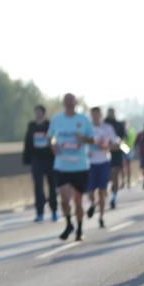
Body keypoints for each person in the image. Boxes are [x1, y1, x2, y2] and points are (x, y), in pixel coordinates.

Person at [48, 94, 95, 242]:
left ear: (75, 103)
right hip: (62, 165)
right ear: (63, 103)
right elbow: (50, 137)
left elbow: (92, 139)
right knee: (63, 198)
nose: (69, 104)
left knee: (78, 201)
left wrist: (83, 139)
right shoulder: (57, 119)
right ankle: (69, 223)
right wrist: (53, 145)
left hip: (79, 166)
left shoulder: (83, 120)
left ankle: (80, 228)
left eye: (71, 101)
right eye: (66, 101)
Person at [85, 107, 119, 229]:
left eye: (97, 115)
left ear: (101, 115)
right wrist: (86, 150)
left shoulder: (108, 128)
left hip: (104, 162)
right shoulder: (87, 129)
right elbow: (82, 143)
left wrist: (107, 146)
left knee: (102, 191)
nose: (95, 117)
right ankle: (93, 205)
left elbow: (115, 144)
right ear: (91, 115)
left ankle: (101, 217)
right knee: (90, 192)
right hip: (90, 163)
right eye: (93, 115)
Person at [23, 104, 57, 222]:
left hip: (49, 159)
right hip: (36, 159)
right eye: (36, 112)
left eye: (39, 112)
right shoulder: (31, 126)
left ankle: (54, 210)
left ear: (43, 113)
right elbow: (27, 141)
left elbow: (55, 139)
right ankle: (40, 213)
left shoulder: (49, 125)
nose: (37, 114)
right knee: (38, 186)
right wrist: (27, 158)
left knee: (52, 186)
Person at [104, 108, 128, 209]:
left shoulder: (119, 124)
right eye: (109, 112)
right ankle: (105, 191)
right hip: (105, 152)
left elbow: (124, 137)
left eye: (112, 112)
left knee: (115, 174)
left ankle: (114, 197)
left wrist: (118, 143)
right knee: (108, 174)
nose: (111, 114)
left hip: (117, 152)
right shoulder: (103, 124)